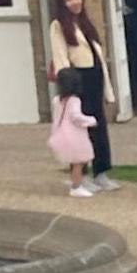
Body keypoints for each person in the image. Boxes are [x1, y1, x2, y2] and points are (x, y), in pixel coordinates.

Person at [45, 0, 120, 192]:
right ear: (62, 3)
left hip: (94, 77)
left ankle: (101, 171)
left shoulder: (85, 24)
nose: (74, 2)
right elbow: (60, 56)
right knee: (79, 128)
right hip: (78, 78)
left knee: (98, 125)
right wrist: (68, 84)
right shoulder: (58, 25)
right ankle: (81, 173)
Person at [48, 67, 98, 198]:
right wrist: (91, 120)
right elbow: (76, 117)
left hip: (61, 134)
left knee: (74, 161)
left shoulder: (56, 100)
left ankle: (75, 182)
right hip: (74, 135)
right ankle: (76, 187)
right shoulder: (74, 100)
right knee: (78, 162)